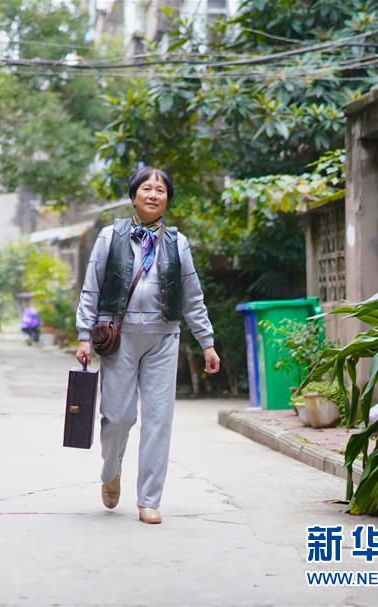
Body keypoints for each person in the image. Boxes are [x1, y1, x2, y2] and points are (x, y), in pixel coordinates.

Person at [75, 166, 220, 525]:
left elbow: (192, 297)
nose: (154, 195)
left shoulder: (177, 243)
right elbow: (91, 287)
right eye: (147, 188)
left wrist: (207, 342)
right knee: (117, 418)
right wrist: (83, 335)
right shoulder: (110, 236)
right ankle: (111, 472)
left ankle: (149, 500)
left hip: (163, 338)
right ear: (133, 195)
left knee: (158, 420)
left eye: (161, 190)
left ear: (167, 199)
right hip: (118, 338)